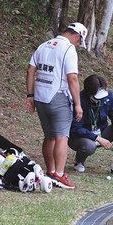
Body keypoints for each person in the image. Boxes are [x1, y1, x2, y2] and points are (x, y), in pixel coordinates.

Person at [26, 22, 87, 189]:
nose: (78, 44)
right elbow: (72, 78)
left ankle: (51, 171)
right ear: (77, 35)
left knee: (49, 136)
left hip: (40, 97)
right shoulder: (68, 49)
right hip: (58, 96)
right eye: (80, 41)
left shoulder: (44, 45)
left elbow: (31, 70)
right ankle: (59, 175)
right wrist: (78, 104)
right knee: (61, 136)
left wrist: (30, 95)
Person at [69, 75, 113, 175]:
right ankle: (79, 162)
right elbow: (76, 128)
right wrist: (97, 138)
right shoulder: (79, 100)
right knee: (89, 146)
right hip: (80, 137)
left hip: (101, 131)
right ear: (89, 93)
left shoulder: (108, 96)